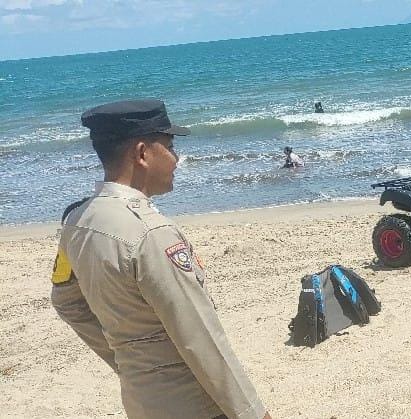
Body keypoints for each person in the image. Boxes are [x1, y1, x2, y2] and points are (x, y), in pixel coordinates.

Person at [59, 99, 269, 419]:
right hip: (193, 405)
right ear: (142, 153)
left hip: (141, 399)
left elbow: (67, 303)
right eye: (170, 147)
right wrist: (253, 414)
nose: (176, 159)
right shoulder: (152, 234)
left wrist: (132, 362)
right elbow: (199, 337)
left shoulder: (77, 221)